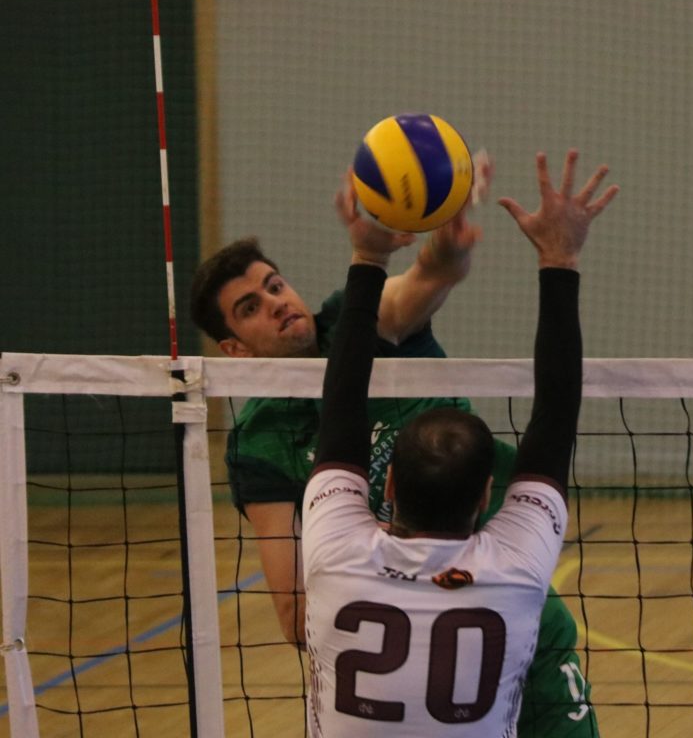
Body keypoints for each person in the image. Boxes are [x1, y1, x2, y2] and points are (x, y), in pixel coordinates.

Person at [189, 156, 601, 734]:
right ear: (233, 350)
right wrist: (406, 587)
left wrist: (447, 243)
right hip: (411, 629)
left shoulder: (354, 323)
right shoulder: (259, 442)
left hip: (508, 593)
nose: (277, 303)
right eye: (250, 307)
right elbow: (293, 615)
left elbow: (429, 275)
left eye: (275, 285)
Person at [302, 148, 615, 736]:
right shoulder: (518, 572)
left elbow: (340, 401)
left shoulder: (334, 552)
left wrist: (367, 254)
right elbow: (556, 414)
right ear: (485, 497)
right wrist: (560, 256)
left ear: (387, 485)